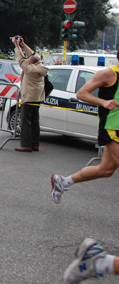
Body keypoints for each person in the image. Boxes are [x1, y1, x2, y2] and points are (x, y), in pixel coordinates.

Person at [50, 60, 119, 204]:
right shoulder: (109, 74)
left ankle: (63, 182)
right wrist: (103, 102)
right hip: (111, 127)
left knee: (105, 170)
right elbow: (81, 93)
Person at [12, 36, 48, 152]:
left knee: (25, 122)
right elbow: (33, 55)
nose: (28, 58)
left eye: (29, 58)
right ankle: (35, 143)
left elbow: (21, 59)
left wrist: (17, 46)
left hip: (28, 98)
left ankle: (26, 144)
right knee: (35, 121)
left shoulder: (30, 69)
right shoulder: (39, 66)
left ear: (30, 62)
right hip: (37, 98)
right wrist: (23, 44)